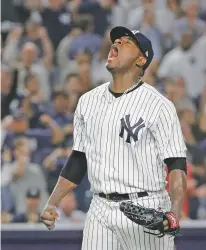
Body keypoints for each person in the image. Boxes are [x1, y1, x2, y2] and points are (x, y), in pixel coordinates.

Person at [40, 26, 187, 250]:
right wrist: (53, 202)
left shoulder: (160, 106)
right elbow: (79, 159)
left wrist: (174, 212)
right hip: (100, 208)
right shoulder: (87, 101)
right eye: (115, 40)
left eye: (126, 42)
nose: (116, 43)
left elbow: (176, 164)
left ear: (141, 60)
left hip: (147, 207)